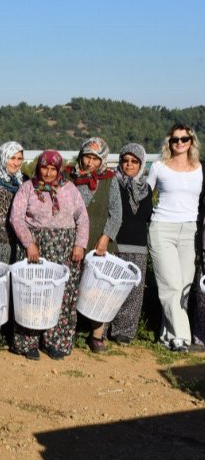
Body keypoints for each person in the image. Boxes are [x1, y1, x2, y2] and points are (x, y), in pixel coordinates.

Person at [10, 150, 89, 361]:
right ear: (38, 167)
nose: (48, 172)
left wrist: (80, 245)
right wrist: (29, 244)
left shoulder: (69, 188)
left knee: (61, 295)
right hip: (36, 247)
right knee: (32, 295)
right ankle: (28, 343)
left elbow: (82, 217)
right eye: (45, 167)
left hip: (64, 247)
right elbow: (16, 218)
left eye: (53, 168)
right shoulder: (27, 188)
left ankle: (56, 342)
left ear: (59, 169)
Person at [148, 124, 204, 353]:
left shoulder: (201, 168)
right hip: (162, 228)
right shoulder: (159, 167)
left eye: (184, 139)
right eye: (175, 140)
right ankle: (183, 337)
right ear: (169, 143)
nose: (179, 143)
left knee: (183, 288)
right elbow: (144, 198)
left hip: (191, 231)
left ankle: (167, 336)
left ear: (191, 142)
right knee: (170, 285)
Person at [64, 137, 116, 353]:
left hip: (97, 242)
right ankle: (68, 330)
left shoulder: (109, 180)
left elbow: (116, 214)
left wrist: (105, 237)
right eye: (87, 156)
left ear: (102, 160)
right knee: (70, 287)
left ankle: (97, 335)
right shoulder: (68, 176)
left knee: (98, 290)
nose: (90, 162)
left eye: (95, 158)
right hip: (70, 241)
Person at [103, 144, 153, 345]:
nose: (129, 165)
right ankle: (102, 328)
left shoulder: (146, 188)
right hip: (116, 243)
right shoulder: (111, 183)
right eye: (125, 160)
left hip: (138, 244)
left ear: (141, 164)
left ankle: (124, 332)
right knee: (109, 288)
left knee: (134, 291)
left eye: (134, 161)